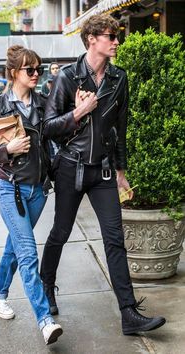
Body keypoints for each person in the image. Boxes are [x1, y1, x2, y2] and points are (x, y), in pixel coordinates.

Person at [40, 14, 166, 335]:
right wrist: (79, 112)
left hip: (104, 172)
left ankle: (128, 314)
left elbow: (119, 130)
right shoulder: (68, 77)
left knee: (114, 239)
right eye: (111, 36)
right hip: (71, 168)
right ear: (92, 39)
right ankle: (46, 287)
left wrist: (122, 171)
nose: (116, 41)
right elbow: (48, 128)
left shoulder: (118, 79)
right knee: (60, 233)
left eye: (116, 36)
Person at [0, 45, 63, 345]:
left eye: (39, 69)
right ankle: (45, 320)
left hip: (38, 190)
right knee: (28, 253)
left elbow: (53, 139)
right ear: (15, 72)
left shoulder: (43, 103)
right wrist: (7, 150)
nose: (36, 74)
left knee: (14, 248)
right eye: (31, 70)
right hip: (10, 188)